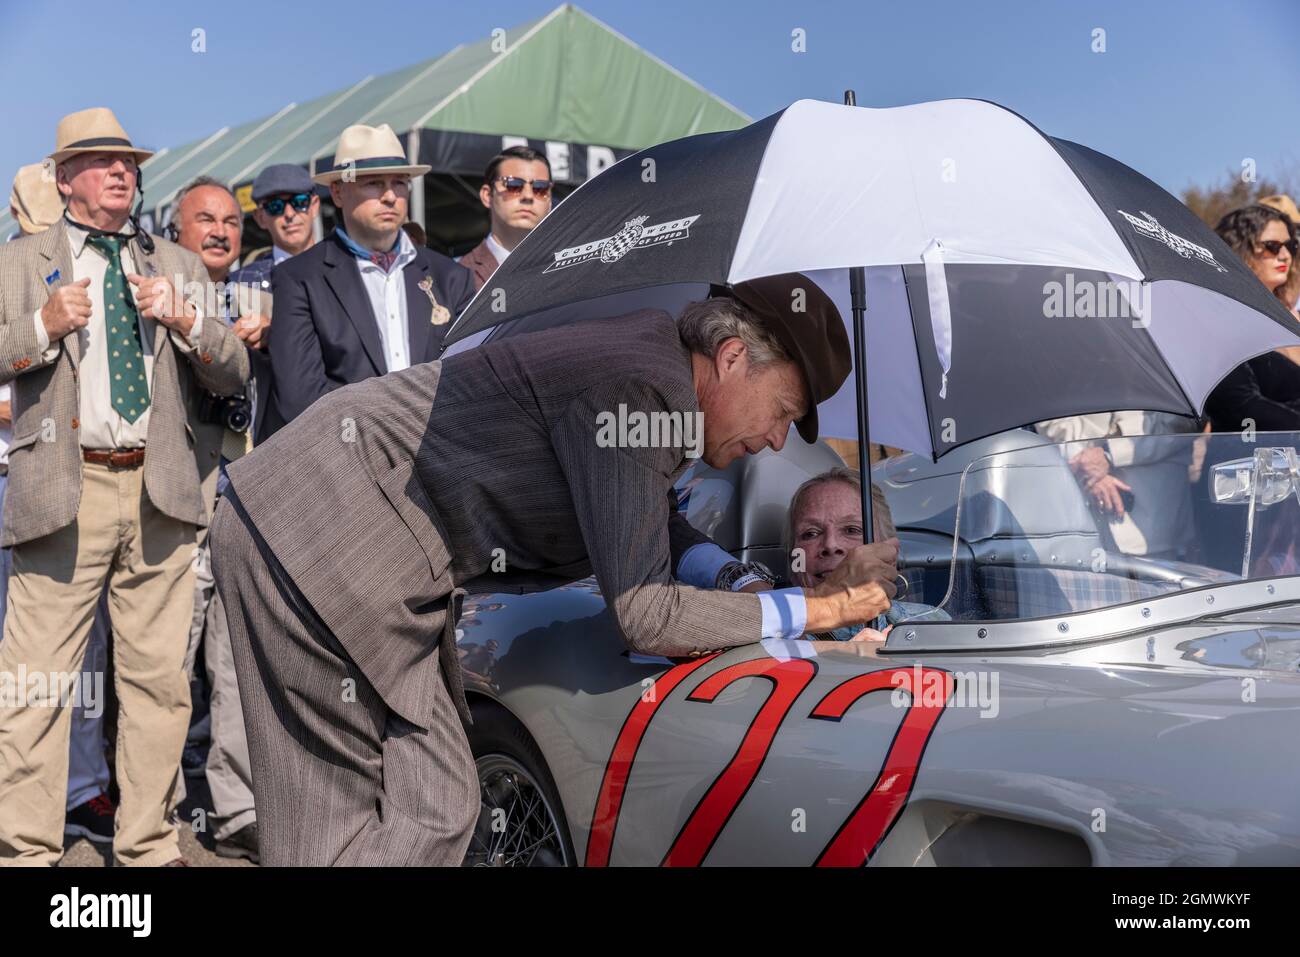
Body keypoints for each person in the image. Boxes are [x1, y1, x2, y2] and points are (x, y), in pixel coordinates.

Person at [210, 274, 901, 865]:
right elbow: (646, 612)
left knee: (440, 802)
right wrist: (821, 609)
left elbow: (652, 518)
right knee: (332, 810)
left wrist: (740, 581)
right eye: (781, 411)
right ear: (729, 358)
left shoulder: (654, 372)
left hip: (370, 547)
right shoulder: (642, 385)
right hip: (317, 527)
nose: (778, 440)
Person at [0, 107, 249, 867]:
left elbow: (234, 365)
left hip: (159, 488)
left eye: (129, 161)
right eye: (102, 160)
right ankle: (26, 852)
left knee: (160, 683)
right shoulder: (20, 261)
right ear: (65, 176)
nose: (121, 171)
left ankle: (146, 842)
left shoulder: (173, 263)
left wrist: (189, 322)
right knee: (37, 684)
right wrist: (40, 325)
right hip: (61, 490)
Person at [5, 163, 116, 847]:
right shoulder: (11, 272)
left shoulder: (100, 270)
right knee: (27, 654)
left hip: (89, 481)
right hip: (18, 480)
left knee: (89, 649)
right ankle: (32, 801)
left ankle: (81, 785)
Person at [266, 124, 475, 432]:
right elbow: (299, 401)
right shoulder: (298, 278)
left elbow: (469, 380)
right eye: (374, 184)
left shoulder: (452, 277)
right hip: (350, 464)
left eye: (400, 183)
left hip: (441, 457)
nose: (390, 196)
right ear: (337, 192)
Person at [171, 176, 260, 863]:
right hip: (175, 501)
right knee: (167, 666)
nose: (221, 230)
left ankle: (236, 810)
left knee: (235, 665)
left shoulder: (259, 294)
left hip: (246, 501)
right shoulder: (157, 290)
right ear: (178, 228)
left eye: (232, 220)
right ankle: (159, 807)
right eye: (206, 219)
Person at [785, 467, 945, 640]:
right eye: (811, 533)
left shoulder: (935, 623)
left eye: (852, 530)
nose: (831, 545)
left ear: (890, 554)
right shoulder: (772, 646)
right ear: (792, 558)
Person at [1034, 412, 1197, 559]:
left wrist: (1110, 452)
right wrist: (1084, 462)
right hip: (1076, 515)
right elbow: (1047, 414)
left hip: (1153, 524)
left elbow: (1181, 422)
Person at [1204, 204, 1300, 433]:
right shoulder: (1220, 317)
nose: (1285, 255)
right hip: (1248, 461)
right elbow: (1240, 405)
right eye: (1272, 247)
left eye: (1291, 245)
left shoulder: (1293, 314)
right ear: (1239, 252)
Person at [458, 146, 553, 290]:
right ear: (487, 195)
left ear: (550, 200)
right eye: (513, 185)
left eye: (540, 188)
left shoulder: (570, 271)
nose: (528, 196)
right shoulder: (460, 276)